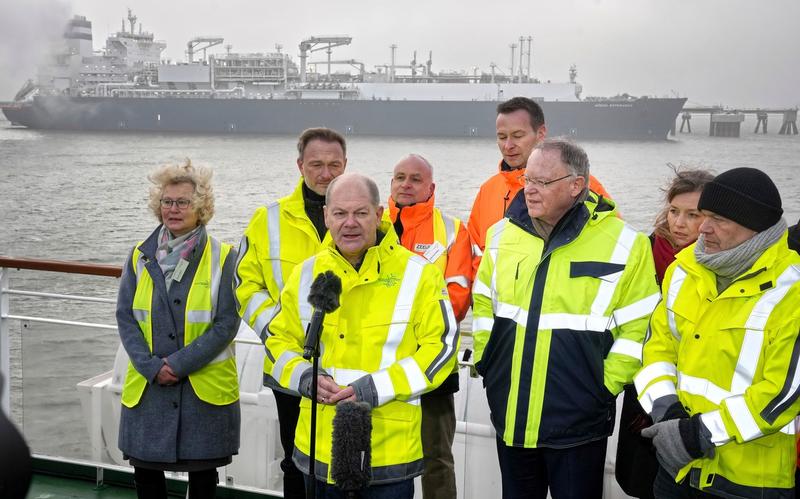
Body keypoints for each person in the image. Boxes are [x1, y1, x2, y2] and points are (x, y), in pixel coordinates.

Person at [472, 139, 659, 499]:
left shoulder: (626, 244)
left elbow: (640, 328)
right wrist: (487, 362)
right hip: (511, 416)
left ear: (576, 185)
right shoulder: (500, 235)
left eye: (542, 182)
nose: (529, 189)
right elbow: (483, 306)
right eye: (527, 179)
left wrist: (602, 387)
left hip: (579, 425)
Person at [265, 173, 458, 498]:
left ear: (379, 213)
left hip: (388, 453)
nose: (350, 223)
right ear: (327, 216)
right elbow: (278, 342)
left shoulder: (419, 274)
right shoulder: (306, 273)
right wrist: (305, 378)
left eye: (361, 213)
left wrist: (375, 388)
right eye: (340, 213)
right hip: (318, 449)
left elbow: (441, 349)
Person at [635, 167, 800, 498]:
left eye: (718, 219)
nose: (703, 228)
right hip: (676, 467)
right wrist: (666, 410)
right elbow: (657, 349)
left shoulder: (791, 289)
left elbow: (783, 393)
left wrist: (699, 434)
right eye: (704, 215)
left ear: (755, 226)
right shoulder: (683, 270)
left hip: (748, 479)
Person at [116, 160, 240, 499]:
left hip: (202, 390)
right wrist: (151, 367)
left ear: (201, 207)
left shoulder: (224, 257)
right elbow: (125, 316)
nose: (173, 209)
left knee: (202, 476)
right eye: (167, 201)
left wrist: (178, 365)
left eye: (183, 202)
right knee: (146, 472)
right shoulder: (139, 256)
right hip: (149, 385)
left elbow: (227, 323)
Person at [234, 127, 347, 499]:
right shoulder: (267, 219)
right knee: (295, 459)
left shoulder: (361, 219)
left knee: (346, 462)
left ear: (346, 165)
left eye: (334, 165)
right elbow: (245, 285)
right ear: (300, 165)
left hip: (348, 364)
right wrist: (277, 330)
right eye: (316, 164)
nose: (325, 173)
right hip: (288, 363)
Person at [616, 167, 713, 498]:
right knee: (640, 478)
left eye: (692, 214)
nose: (679, 223)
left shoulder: (720, 264)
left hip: (696, 391)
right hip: (645, 383)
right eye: (674, 211)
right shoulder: (644, 250)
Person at [388, 154, 471, 499]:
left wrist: (405, 326)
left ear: (431, 187)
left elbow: (458, 299)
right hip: (378, 364)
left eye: (415, 179)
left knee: (435, 458)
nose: (406, 184)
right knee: (378, 457)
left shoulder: (452, 231)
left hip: (433, 366)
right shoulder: (370, 222)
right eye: (400, 177)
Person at [467, 96, 613, 275]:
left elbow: (613, 245)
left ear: (541, 133)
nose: (508, 145)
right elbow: (474, 256)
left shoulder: (582, 185)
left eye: (518, 136)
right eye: (502, 137)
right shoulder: (487, 191)